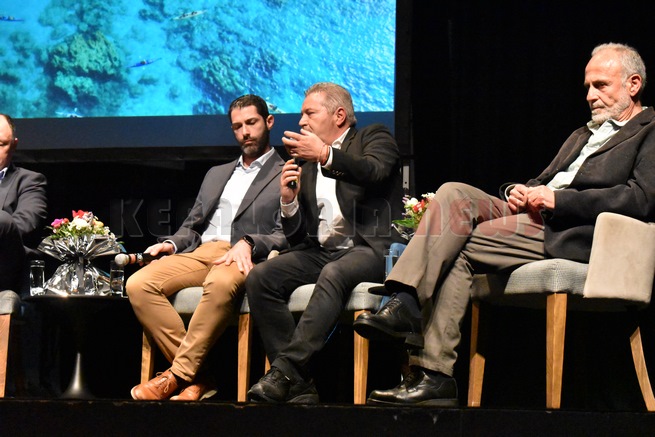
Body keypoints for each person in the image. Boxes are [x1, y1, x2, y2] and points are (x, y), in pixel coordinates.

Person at [353, 42, 655, 406]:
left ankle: (428, 362)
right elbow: (543, 180)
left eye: (601, 85)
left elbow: (641, 198)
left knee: (458, 243)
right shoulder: (583, 135)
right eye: (588, 86)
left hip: (575, 230)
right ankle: (407, 307)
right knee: (453, 194)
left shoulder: (649, 130)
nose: (590, 95)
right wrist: (518, 191)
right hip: (534, 216)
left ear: (633, 84)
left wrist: (558, 201)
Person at [245, 82, 404, 403]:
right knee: (261, 277)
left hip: (371, 249)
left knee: (334, 272)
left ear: (339, 115)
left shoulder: (373, 136)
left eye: (309, 113)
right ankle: (299, 384)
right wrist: (288, 202)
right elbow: (297, 239)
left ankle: (285, 371)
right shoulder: (306, 166)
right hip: (321, 252)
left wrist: (325, 154)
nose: (301, 121)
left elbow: (374, 171)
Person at [127, 94, 287, 401]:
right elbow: (192, 225)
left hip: (243, 255)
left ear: (269, 122)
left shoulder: (287, 171)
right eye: (237, 126)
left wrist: (250, 243)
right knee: (139, 284)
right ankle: (199, 377)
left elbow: (287, 234)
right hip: (201, 252)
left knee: (220, 283)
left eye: (251, 123)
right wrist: (171, 244)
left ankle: (176, 376)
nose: (245, 132)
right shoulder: (217, 173)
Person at [0, 113, 47, 293]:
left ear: (14, 145)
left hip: (7, 265)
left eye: (0, 144)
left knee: (3, 220)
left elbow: (25, 223)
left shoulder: (30, 181)